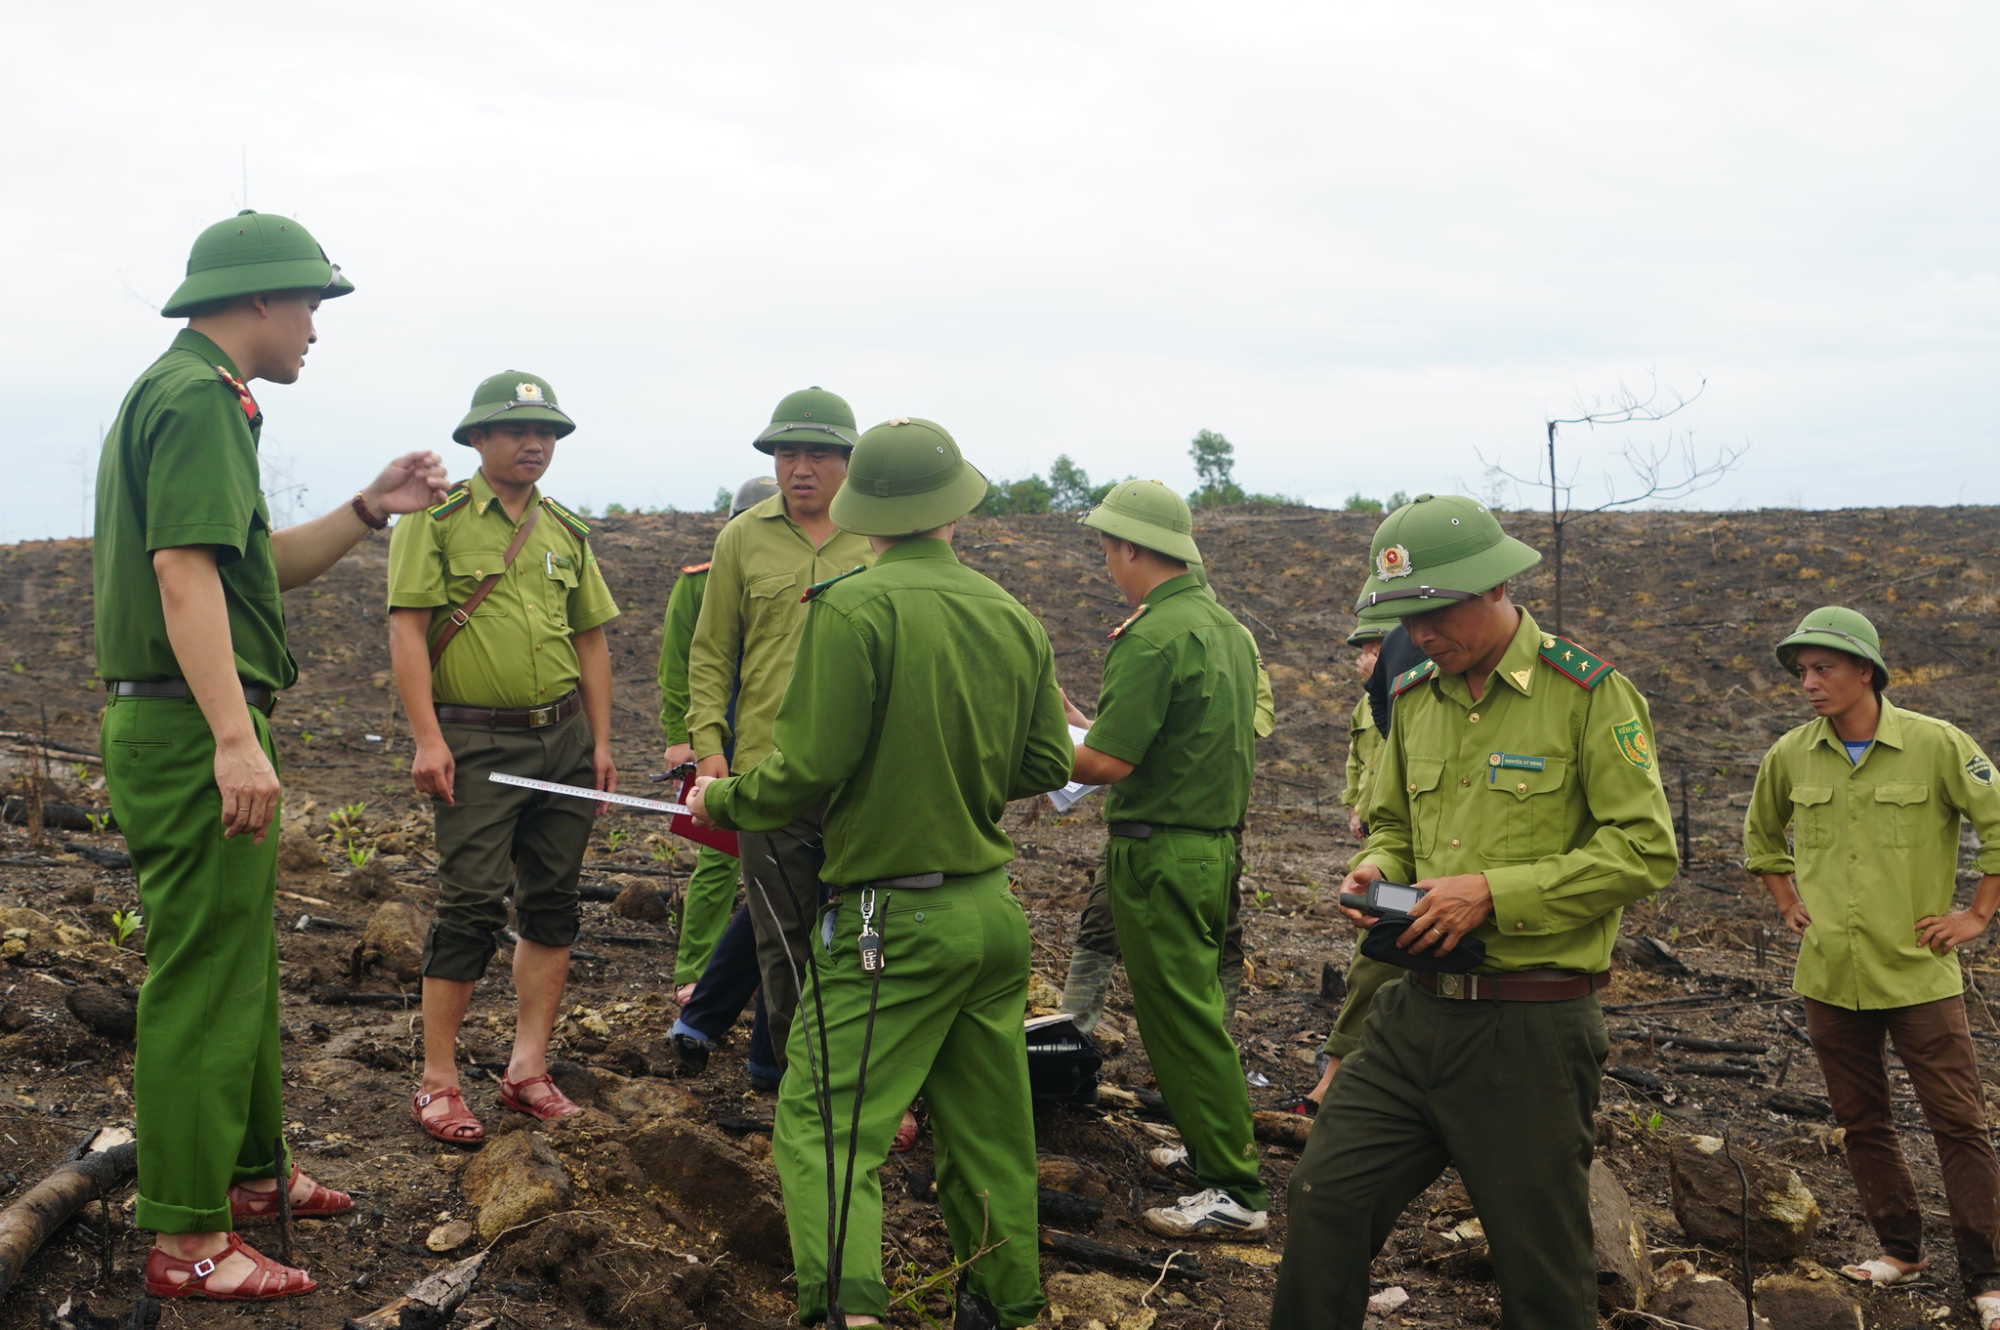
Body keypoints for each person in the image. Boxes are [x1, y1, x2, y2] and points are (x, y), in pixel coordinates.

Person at [94, 209, 448, 1301]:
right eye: (308, 304)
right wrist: (234, 738)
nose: (313, 328)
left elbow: (250, 567)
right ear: (255, 300)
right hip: (190, 725)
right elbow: (183, 578)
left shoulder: (199, 398)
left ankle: (245, 1176)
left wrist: (363, 509)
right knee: (201, 972)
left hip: (190, 718)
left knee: (237, 959)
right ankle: (189, 1238)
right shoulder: (195, 399)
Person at [689, 417, 1071, 1329]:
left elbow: (807, 769)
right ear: (953, 508)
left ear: (870, 511)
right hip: (990, 919)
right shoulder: (1011, 614)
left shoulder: (852, 607)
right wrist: (951, 770)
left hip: (891, 923)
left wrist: (724, 801)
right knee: (988, 1135)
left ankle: (844, 1310)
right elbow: (1048, 763)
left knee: (823, 1123)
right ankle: (1005, 1305)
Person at [1272, 494, 1677, 1330]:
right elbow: (1391, 823)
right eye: (1403, 616)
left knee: (1542, 1268)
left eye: (1434, 608)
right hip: (1411, 1012)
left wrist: (1494, 892)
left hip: (1528, 1029)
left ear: (1495, 585)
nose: (1417, 633)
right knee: (1325, 1196)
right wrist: (1376, 867)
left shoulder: (1586, 694)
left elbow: (1645, 850)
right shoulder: (1416, 694)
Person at [1743, 607, 2000, 1327]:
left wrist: (1976, 915)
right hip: (1829, 975)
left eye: (1824, 669)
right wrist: (1786, 900)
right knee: (1862, 1121)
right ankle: (1900, 1249)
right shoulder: (1791, 754)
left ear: (1866, 671)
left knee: (1959, 1122)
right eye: (1802, 672)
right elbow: (1761, 837)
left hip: (1917, 971)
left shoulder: (1936, 745)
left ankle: (1987, 1274)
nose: (1810, 684)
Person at [387, 371, 620, 1143]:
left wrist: (601, 742)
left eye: (547, 434)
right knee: (472, 903)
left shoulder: (565, 530)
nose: (535, 445)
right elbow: (409, 629)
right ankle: (439, 1081)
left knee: (553, 901)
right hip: (475, 740)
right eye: (518, 432)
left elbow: (590, 638)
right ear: (478, 440)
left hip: (562, 739)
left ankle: (527, 1071)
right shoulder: (438, 519)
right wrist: (427, 737)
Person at [1064, 480, 1270, 1241]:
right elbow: (1169, 739)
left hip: (1160, 853)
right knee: (1195, 1011)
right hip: (1209, 849)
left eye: (1107, 550)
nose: (1107, 565)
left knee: (1180, 1018)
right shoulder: (1220, 628)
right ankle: (1212, 1147)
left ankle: (1233, 1190)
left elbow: (1110, 763)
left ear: (1130, 549)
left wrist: (1034, 743)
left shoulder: (1151, 636)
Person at [677, 388, 874, 1074]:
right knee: (780, 938)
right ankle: (791, 1081)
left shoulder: (879, 538)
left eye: (819, 452)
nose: (801, 466)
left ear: (849, 461)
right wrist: (710, 752)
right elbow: (711, 653)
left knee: (859, 932)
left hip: (862, 774)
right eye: (788, 451)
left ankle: (845, 1073)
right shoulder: (742, 537)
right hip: (766, 769)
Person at [1057, 572, 1273, 1037]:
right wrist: (1088, 727)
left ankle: (1213, 1042)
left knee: (1219, 934)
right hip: (1143, 821)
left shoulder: (1231, 641)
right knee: (1101, 918)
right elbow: (1169, 728)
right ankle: (1071, 1036)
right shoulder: (1169, 634)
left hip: (1207, 822)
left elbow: (1228, 727)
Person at [660, 474, 780, 1004]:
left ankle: (771, 971)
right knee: (718, 856)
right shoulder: (697, 582)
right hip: (720, 735)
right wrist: (680, 737)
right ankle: (696, 971)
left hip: (783, 733)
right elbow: (678, 667)